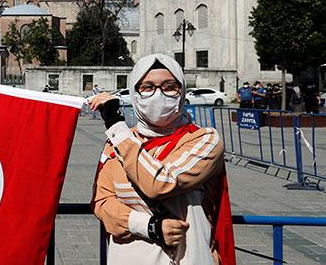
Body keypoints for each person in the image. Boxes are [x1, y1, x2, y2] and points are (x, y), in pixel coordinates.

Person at [89, 54, 234, 265]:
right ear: (134, 93)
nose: (158, 94)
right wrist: (150, 226)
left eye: (169, 86)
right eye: (147, 87)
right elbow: (102, 203)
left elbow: (160, 183)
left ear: (182, 92)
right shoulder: (116, 144)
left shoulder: (205, 140)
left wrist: (116, 125)